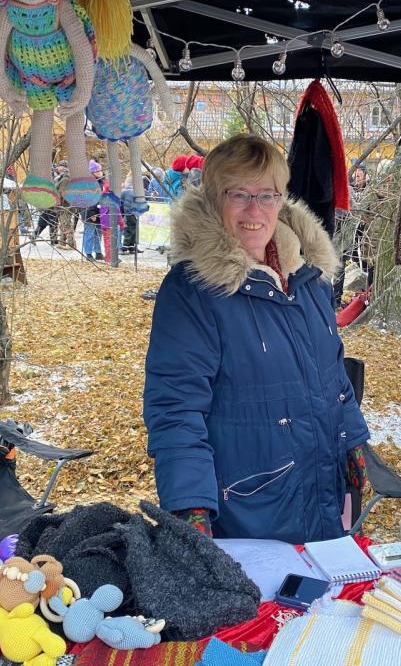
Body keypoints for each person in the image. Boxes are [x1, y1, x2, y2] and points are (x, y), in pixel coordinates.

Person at [143, 134, 369, 543]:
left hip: (322, 493)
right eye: (239, 194)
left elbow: (333, 374)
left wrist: (354, 440)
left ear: (282, 199)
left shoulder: (309, 278)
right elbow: (175, 409)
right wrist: (189, 505)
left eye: (267, 195)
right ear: (213, 198)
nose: (255, 210)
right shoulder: (193, 290)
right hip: (246, 510)